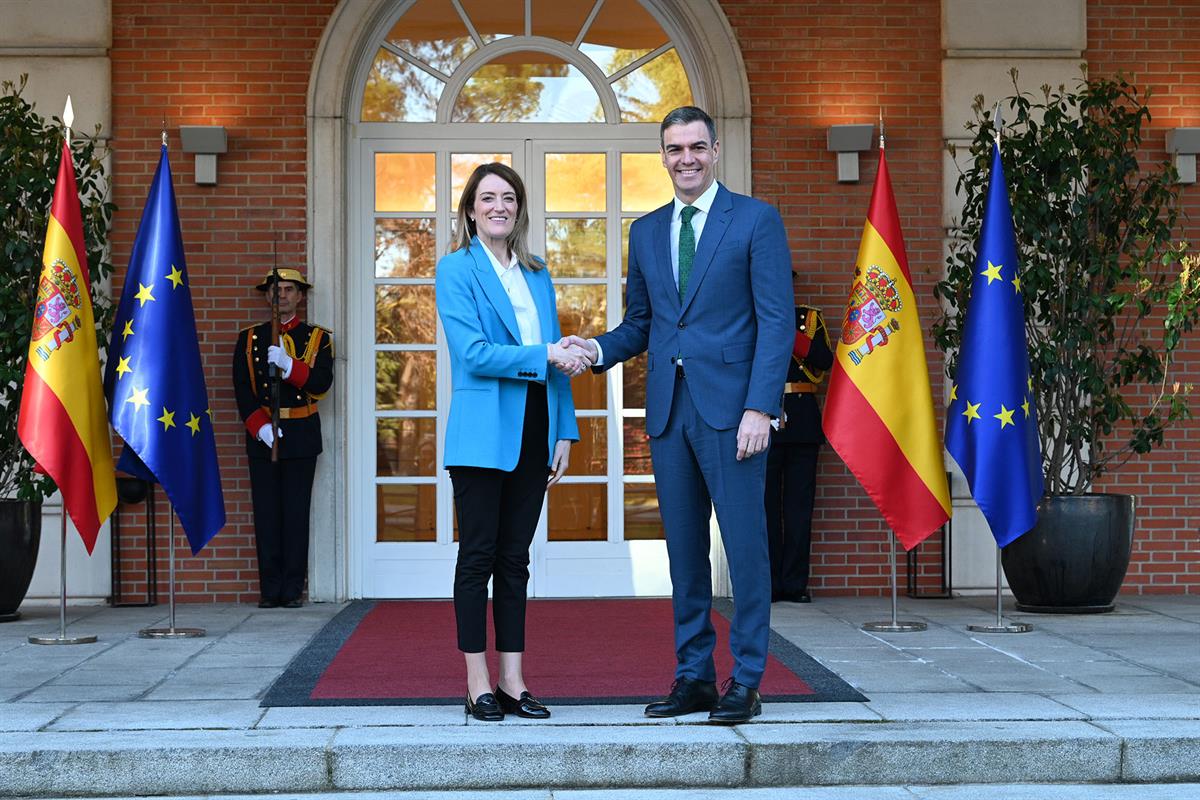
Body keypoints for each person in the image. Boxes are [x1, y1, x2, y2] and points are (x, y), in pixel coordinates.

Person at [563, 106, 794, 723]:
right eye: (673, 149)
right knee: (684, 553)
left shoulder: (754, 220)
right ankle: (693, 676)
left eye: (696, 146)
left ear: (715, 150)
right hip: (668, 412)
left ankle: (746, 679)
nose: (685, 158)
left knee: (745, 551)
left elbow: (776, 322)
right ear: (662, 156)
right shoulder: (645, 231)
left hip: (734, 414)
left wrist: (760, 407)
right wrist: (595, 350)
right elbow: (643, 324)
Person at [434, 162, 584, 722]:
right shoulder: (455, 270)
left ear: (518, 208)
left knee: (516, 559)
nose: (499, 206)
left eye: (509, 198)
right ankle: (477, 684)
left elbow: (559, 359)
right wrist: (544, 355)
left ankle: (514, 680)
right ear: (471, 209)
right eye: (487, 197)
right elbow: (472, 353)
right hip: (480, 433)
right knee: (477, 558)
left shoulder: (538, 273)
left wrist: (564, 428)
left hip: (536, 425)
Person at [232, 268, 334, 609]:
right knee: (267, 514)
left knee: (295, 513)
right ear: (267, 296)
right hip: (264, 436)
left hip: (301, 435)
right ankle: (269, 589)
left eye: (289, 289)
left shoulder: (317, 338)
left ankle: (292, 590)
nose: (282, 295)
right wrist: (259, 425)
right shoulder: (249, 339)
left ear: (300, 296)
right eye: (276, 290)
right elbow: (242, 388)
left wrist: (290, 366)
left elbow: (321, 384)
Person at [766, 304, 832, 604]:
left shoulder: (809, 320)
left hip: (802, 419)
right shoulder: (751, 313)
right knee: (765, 509)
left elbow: (824, 361)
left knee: (798, 510)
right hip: (763, 417)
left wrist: (791, 336)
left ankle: (794, 584)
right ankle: (768, 584)